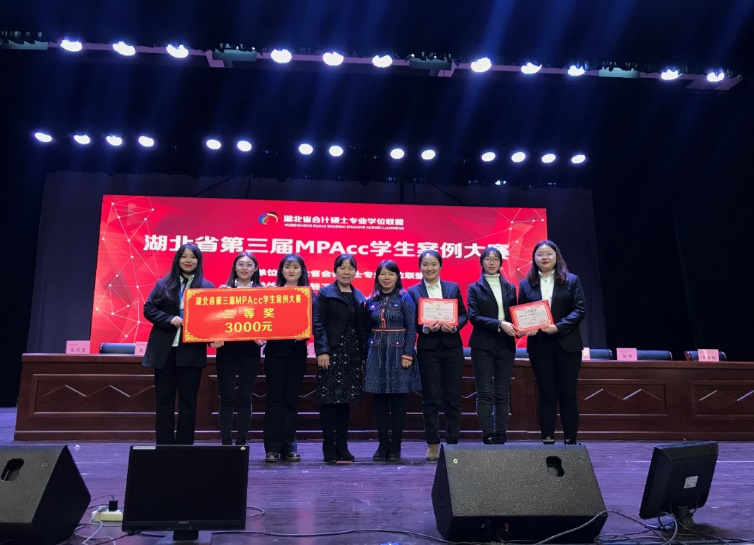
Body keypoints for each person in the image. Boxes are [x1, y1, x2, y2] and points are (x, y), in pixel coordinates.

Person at [142, 243, 214, 445]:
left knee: (188, 403)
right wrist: (168, 319)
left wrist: (214, 338)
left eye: (193, 257)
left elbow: (212, 318)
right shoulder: (164, 284)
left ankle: (184, 445)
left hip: (191, 352)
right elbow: (148, 309)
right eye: (184, 256)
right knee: (164, 401)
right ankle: (164, 445)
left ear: (199, 261)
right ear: (178, 259)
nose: (188, 260)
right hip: (165, 353)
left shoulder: (207, 287)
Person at [518, 240, 586, 445]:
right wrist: (526, 327)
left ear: (557, 256)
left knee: (568, 394)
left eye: (549, 253)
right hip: (540, 346)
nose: (545, 257)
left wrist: (558, 327)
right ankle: (547, 440)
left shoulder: (572, 280)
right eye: (540, 254)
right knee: (546, 395)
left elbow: (580, 310)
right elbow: (522, 312)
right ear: (534, 258)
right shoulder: (526, 284)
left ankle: (570, 442)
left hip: (567, 344)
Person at [407, 250, 468, 461]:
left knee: (453, 398)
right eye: (425, 264)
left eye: (433, 264)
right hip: (428, 349)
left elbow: (463, 314)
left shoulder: (452, 287)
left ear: (441, 266)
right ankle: (432, 443)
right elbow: (411, 320)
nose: (429, 268)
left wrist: (454, 326)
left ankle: (452, 443)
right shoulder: (412, 291)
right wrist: (424, 328)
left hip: (452, 348)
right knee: (431, 398)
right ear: (420, 267)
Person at [312, 254, 368, 464]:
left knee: (345, 403)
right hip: (331, 354)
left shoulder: (359, 296)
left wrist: (363, 355)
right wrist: (322, 351)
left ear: (355, 272)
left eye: (350, 268)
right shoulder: (325, 293)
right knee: (329, 402)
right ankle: (328, 445)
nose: (346, 272)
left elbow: (362, 328)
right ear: (335, 270)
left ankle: (342, 446)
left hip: (352, 355)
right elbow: (318, 323)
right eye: (342, 268)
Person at [363, 260, 420, 462]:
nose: (386, 278)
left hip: (399, 353)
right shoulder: (371, 300)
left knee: (397, 401)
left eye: (391, 274)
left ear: (397, 276)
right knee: (379, 400)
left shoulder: (405, 298)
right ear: (377, 277)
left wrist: (407, 354)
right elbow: (365, 328)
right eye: (382, 274)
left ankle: (395, 445)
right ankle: (383, 444)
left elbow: (411, 328)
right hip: (376, 352)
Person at [210, 252, 265, 446]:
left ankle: (242, 441)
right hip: (226, 350)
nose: (244, 268)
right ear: (234, 267)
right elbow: (212, 321)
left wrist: (264, 338)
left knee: (245, 397)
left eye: (249, 264)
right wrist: (212, 340)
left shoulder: (264, 293)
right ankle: (225, 441)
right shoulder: (224, 291)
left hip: (251, 350)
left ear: (255, 269)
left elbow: (269, 321)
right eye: (241, 264)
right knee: (226, 397)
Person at [466, 246, 517, 444]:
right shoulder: (474, 288)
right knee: (485, 392)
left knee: (502, 392)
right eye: (487, 258)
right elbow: (474, 317)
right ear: (482, 262)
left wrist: (521, 326)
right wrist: (499, 324)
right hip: (482, 344)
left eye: (495, 259)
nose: (492, 262)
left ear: (501, 262)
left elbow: (515, 314)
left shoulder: (510, 287)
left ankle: (501, 434)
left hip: (506, 344)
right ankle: (487, 433)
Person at [262, 254, 311, 463]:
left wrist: (306, 332)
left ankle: (289, 446)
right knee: (274, 400)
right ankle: (272, 447)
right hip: (274, 352)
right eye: (288, 267)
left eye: (296, 267)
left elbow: (314, 322)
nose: (291, 271)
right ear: (281, 270)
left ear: (302, 271)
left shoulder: (308, 295)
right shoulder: (271, 293)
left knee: (291, 400)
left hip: (297, 353)